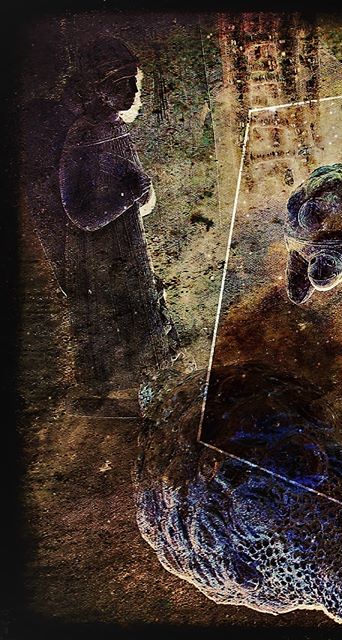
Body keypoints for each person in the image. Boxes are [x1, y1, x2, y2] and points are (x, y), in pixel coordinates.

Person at [57, 36, 178, 400]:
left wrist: (142, 194)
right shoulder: (84, 135)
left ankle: (144, 394)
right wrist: (130, 194)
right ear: (99, 88)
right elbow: (82, 216)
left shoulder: (114, 130)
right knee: (119, 343)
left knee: (142, 335)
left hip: (128, 253)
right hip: (102, 260)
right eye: (125, 83)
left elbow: (142, 201)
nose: (135, 93)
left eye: (134, 83)